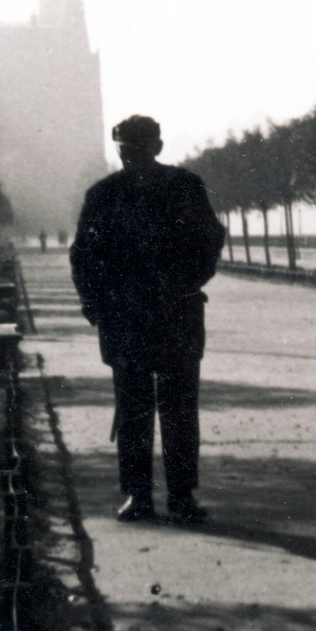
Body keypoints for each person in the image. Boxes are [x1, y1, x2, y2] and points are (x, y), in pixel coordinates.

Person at [70, 115, 225, 523]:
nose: (132, 158)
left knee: (179, 411)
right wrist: (96, 304)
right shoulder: (103, 195)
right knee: (134, 410)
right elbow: (84, 256)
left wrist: (186, 283)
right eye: (125, 152)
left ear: (157, 147)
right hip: (128, 317)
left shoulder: (185, 188)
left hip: (174, 312)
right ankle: (139, 496)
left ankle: (180, 497)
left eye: (138, 150)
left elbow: (209, 241)